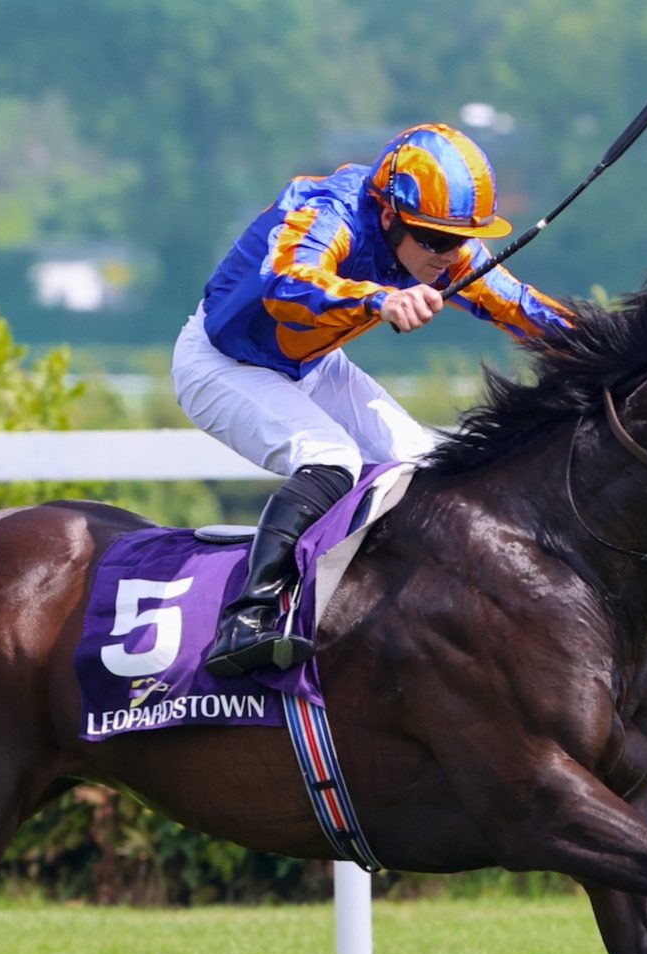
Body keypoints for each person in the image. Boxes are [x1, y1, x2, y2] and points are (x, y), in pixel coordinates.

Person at [176, 122, 572, 677]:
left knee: (425, 464)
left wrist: (619, 347)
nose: (449, 255)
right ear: (388, 215)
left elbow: (519, 306)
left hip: (310, 365)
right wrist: (381, 299)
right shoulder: (327, 211)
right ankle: (248, 618)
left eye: (459, 240)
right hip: (222, 364)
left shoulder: (436, 241)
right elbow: (285, 280)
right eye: (435, 240)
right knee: (331, 459)